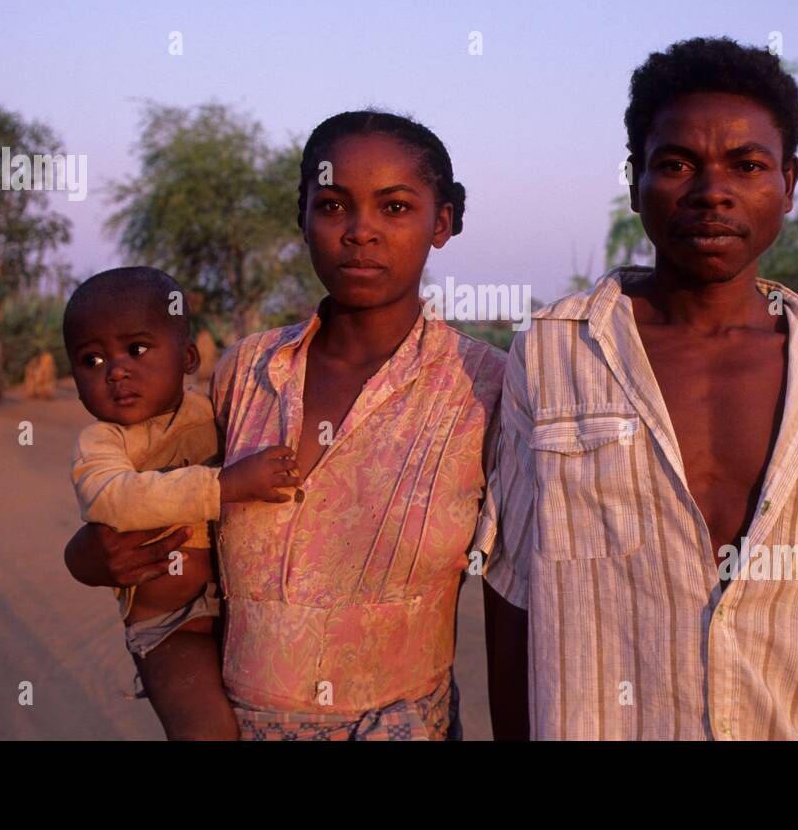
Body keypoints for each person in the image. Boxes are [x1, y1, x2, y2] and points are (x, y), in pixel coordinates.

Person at [479, 37, 798, 740]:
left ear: (789, 183)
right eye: (676, 163)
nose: (712, 191)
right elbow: (513, 601)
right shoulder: (553, 357)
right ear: (635, 177)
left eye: (748, 164)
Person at [66, 110, 504, 740]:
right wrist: (89, 556)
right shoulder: (243, 373)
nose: (360, 232)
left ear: (443, 222)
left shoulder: (484, 389)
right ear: (301, 218)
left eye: (395, 208)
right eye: (332, 206)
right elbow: (154, 514)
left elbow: (518, 594)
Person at [64, 265, 303, 740]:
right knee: (206, 730)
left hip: (238, 608)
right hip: (172, 627)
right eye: (91, 360)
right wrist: (224, 486)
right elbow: (114, 501)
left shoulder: (215, 411)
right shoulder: (103, 442)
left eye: (136, 349)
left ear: (188, 356)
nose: (116, 371)